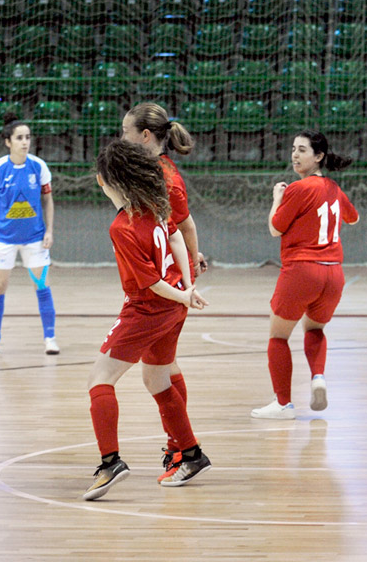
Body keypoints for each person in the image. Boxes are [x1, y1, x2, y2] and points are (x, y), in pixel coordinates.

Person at [84, 140, 211, 501]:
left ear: (107, 182)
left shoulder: (122, 226)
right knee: (156, 377)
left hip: (147, 309)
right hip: (173, 308)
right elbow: (175, 238)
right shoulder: (155, 207)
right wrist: (186, 287)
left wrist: (182, 292)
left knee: (99, 380)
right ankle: (191, 454)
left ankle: (110, 462)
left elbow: (151, 283)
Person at [121, 102, 207, 483]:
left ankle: (187, 452)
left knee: (154, 376)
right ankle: (178, 447)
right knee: (165, 370)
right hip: (174, 286)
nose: (121, 137)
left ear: (144, 136)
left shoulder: (162, 178)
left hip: (164, 291)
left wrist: (188, 275)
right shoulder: (159, 170)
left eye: (126, 132)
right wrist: (193, 263)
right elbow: (182, 226)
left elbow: (180, 227)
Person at [251, 130, 359, 419]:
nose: (295, 155)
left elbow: (275, 227)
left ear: (319, 156)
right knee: (314, 329)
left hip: (302, 271)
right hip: (334, 274)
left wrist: (278, 197)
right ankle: (319, 377)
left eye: (302, 150)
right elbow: (354, 217)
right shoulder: (333, 188)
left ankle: (283, 403)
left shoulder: (299, 189)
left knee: (278, 337)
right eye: (293, 149)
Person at [0, 112, 59, 355]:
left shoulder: (38, 166)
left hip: (35, 239)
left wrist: (50, 231)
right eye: (19, 138)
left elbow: (48, 201)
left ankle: (50, 338)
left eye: (28, 137)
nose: (25, 142)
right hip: (3, 239)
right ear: (8, 142)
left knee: (41, 286)